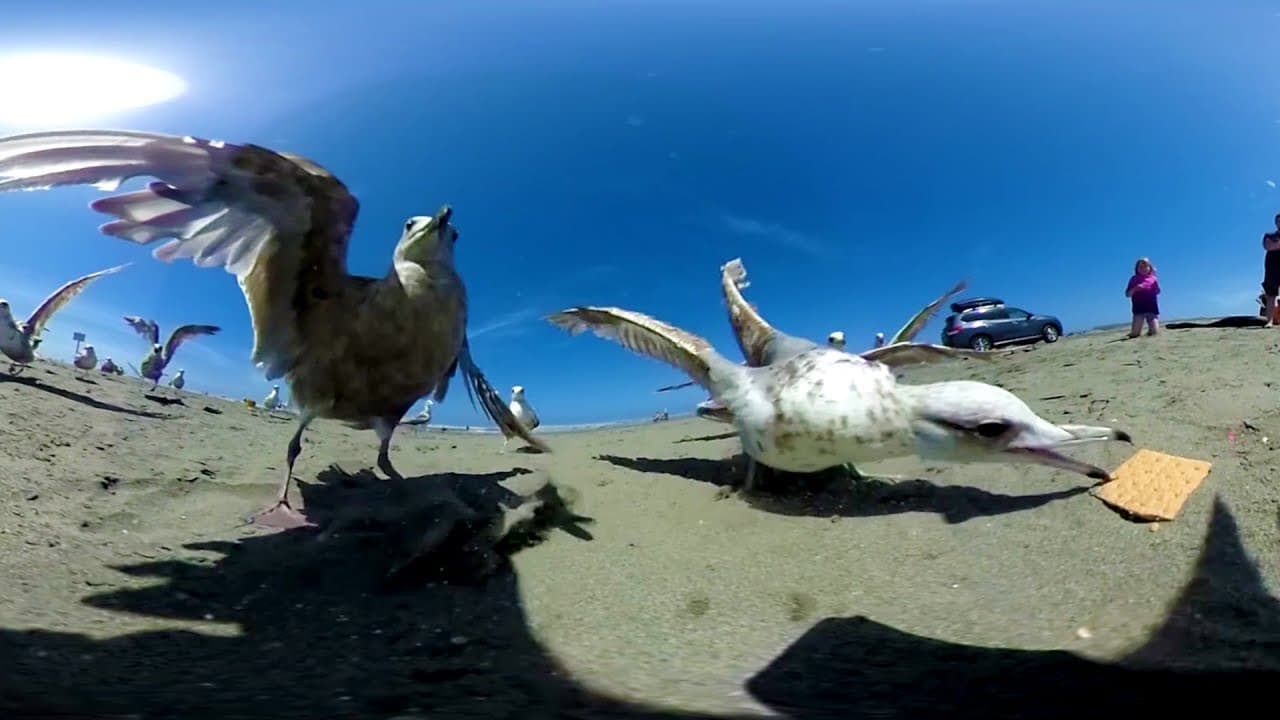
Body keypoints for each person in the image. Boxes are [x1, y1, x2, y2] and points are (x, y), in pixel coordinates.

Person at [1125, 257, 1160, 338]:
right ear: (1136, 269)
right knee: (1135, 334)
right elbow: (1127, 294)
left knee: (1155, 332)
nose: (1143, 268)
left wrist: (1156, 286)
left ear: (1149, 268)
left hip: (1152, 308)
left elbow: (1158, 292)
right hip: (1139, 308)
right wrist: (1135, 289)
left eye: (1145, 266)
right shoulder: (1134, 279)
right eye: (1140, 267)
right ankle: (1133, 332)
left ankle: (1151, 330)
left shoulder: (1153, 278)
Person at [1262, 214, 1280, 327]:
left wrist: (1277, 244)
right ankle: (1269, 321)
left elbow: (1275, 245)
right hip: (1272, 269)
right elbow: (1268, 246)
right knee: (1270, 295)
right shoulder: (1269, 235)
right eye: (1279, 221)